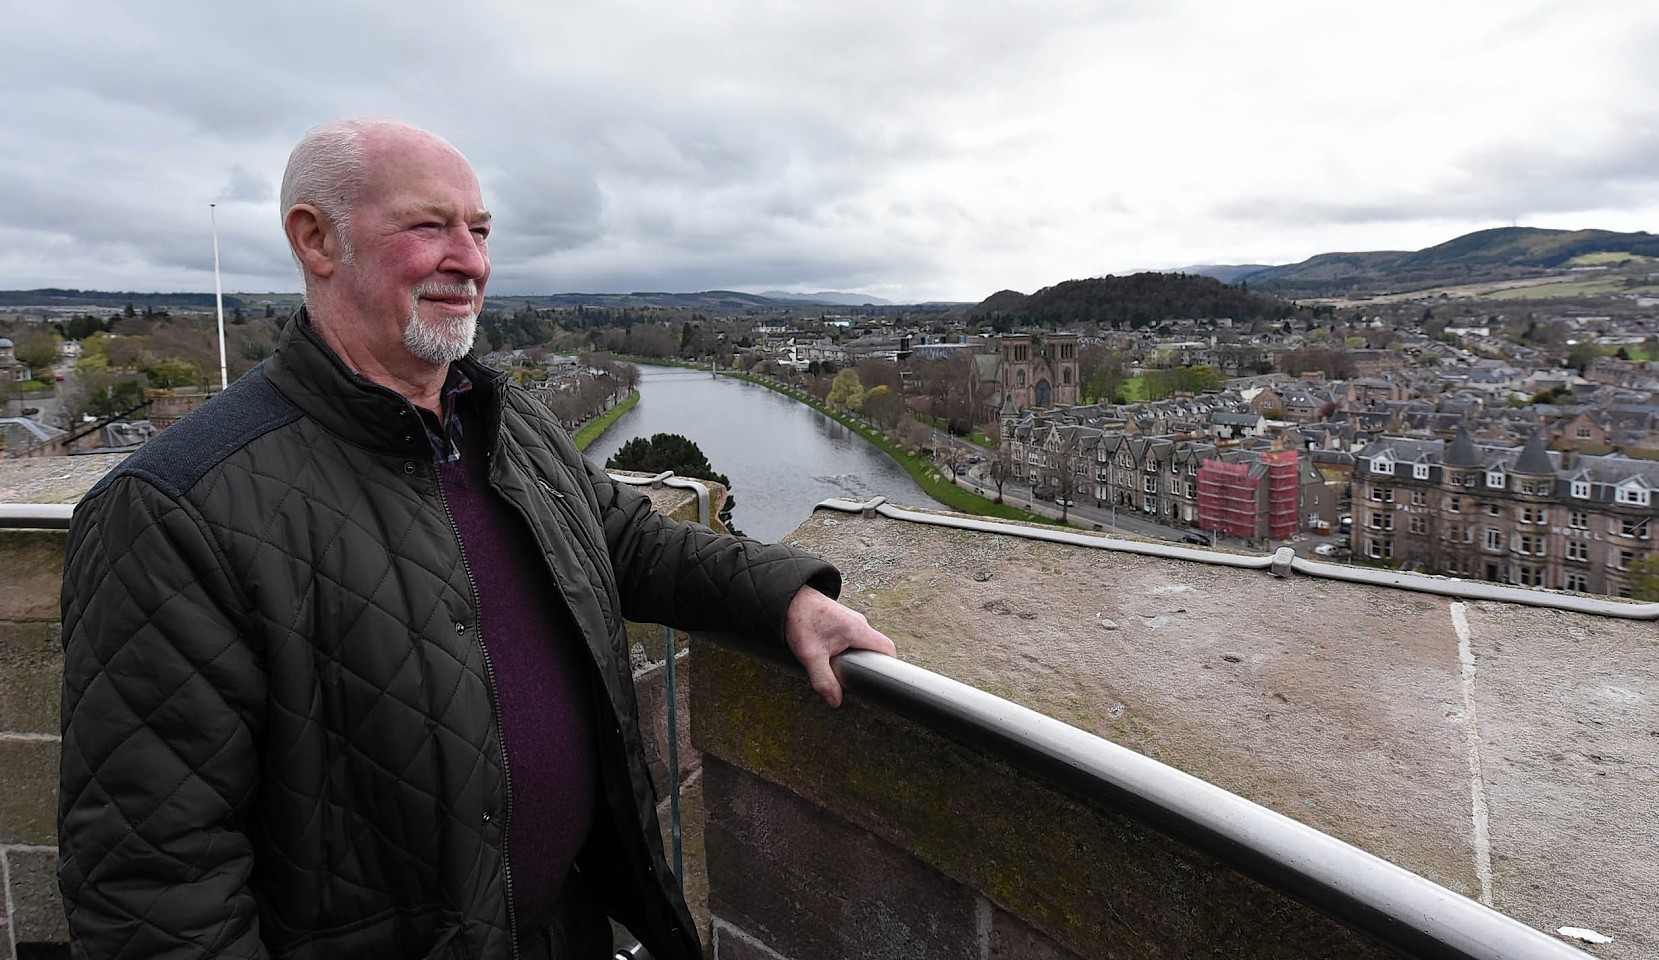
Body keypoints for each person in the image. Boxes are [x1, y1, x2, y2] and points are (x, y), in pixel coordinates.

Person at [58, 117, 896, 960]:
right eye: (430, 227)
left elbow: (627, 543)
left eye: (481, 230)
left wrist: (786, 595)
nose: (472, 260)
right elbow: (155, 888)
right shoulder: (172, 508)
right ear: (315, 240)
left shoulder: (501, 419)